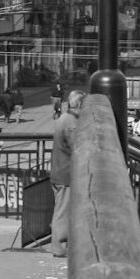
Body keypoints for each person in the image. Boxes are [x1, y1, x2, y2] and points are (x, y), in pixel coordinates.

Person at [50, 91, 83, 259]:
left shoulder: (62, 118)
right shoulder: (71, 123)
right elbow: (77, 147)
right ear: (78, 105)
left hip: (59, 171)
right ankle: (60, 247)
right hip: (66, 173)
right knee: (63, 211)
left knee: (61, 209)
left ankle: (61, 245)